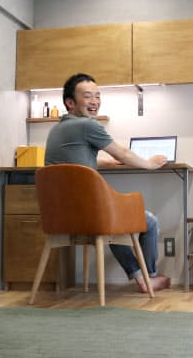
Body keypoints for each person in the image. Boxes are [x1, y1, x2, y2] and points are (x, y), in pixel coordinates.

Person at [44, 73, 171, 293]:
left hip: (61, 216)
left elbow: (73, 164)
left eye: (97, 96)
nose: (94, 101)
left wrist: (103, 162)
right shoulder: (87, 125)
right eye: (87, 96)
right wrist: (149, 163)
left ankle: (139, 276)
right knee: (147, 221)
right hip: (90, 217)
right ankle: (148, 277)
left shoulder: (56, 129)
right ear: (70, 102)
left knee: (114, 221)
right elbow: (123, 153)